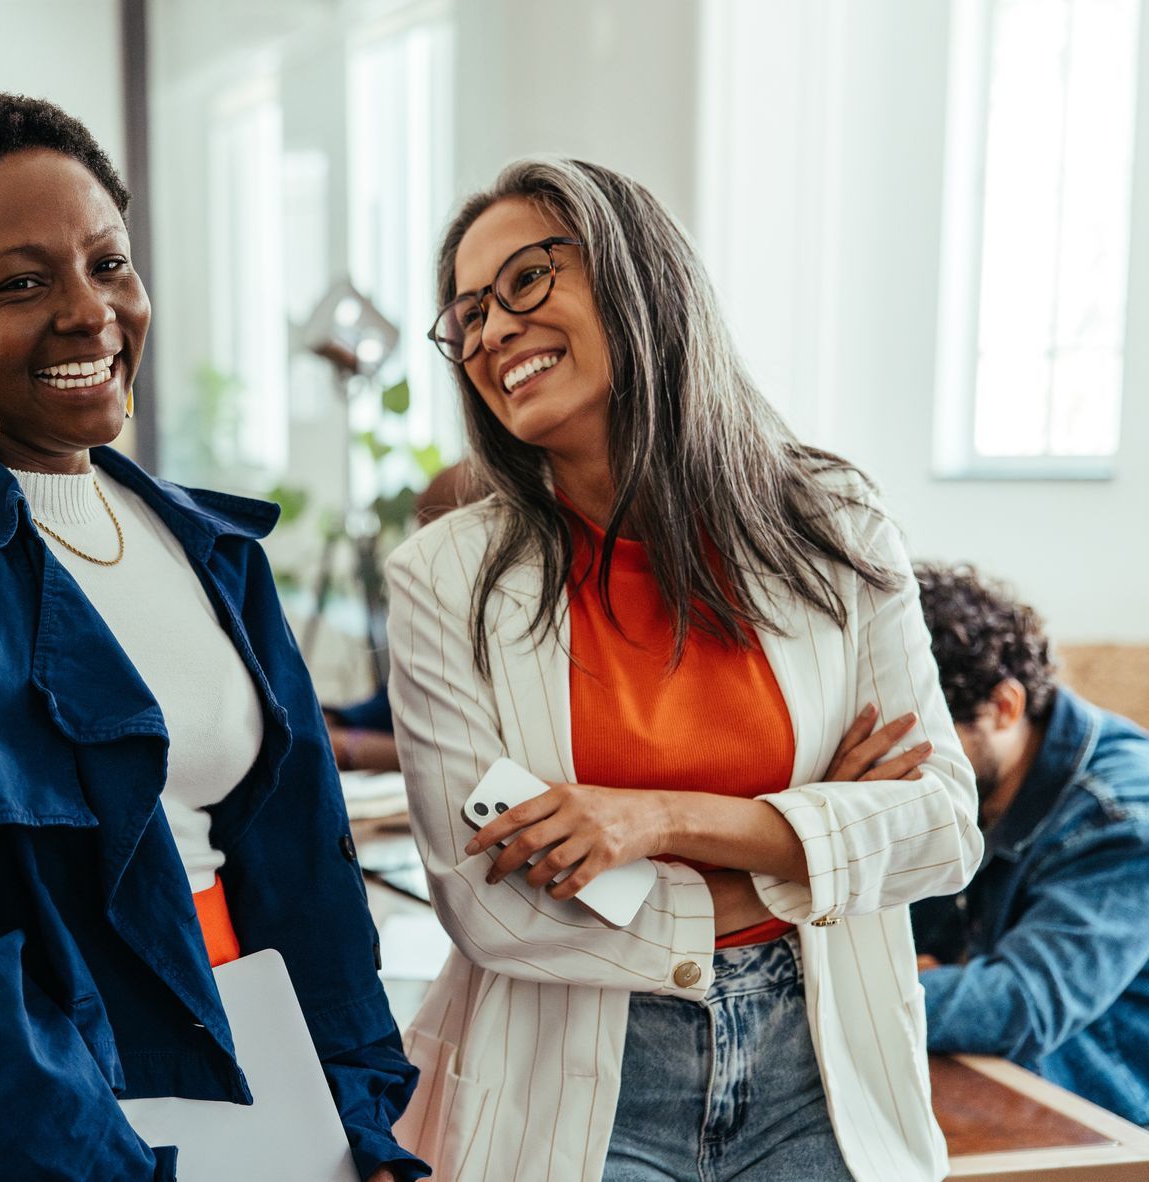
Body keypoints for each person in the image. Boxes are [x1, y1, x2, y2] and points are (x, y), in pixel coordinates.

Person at [0, 94, 423, 1182]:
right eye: (21, 282)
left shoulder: (209, 545)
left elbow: (305, 880)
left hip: (251, 1079)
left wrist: (358, 1122)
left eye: (108, 264)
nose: (89, 311)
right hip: (11, 1124)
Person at [383, 156, 983, 1182]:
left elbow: (941, 828)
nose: (489, 332)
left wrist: (650, 818)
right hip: (577, 1082)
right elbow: (495, 906)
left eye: (524, 281)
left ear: (636, 273)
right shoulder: (444, 577)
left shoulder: (834, 520)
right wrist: (810, 836)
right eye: (467, 314)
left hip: (824, 1071)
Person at [910, 563, 1149, 1126]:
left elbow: (1019, 1004)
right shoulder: (960, 782)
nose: (900, 772)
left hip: (1104, 1117)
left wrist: (877, 988)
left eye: (926, 743)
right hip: (984, 1085)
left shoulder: (1121, 819)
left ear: (1005, 707)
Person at [326, 464, 483, 775]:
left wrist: (354, 747)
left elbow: (462, 760)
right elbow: (390, 707)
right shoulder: (442, 627)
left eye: (437, 536)